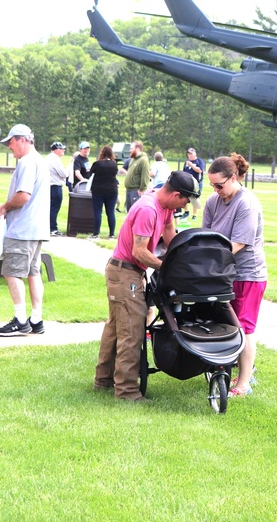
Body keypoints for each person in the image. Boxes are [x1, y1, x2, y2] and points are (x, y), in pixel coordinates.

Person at [94, 172, 198, 401]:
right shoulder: (148, 209)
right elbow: (139, 251)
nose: (187, 205)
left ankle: (103, 381)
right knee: (132, 331)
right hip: (125, 272)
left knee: (115, 328)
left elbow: (170, 233)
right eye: (186, 200)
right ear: (176, 194)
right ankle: (127, 392)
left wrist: (180, 259)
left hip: (129, 272)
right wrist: (167, 268)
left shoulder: (165, 205)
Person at [203, 153, 267, 397]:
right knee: (225, 324)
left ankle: (243, 384)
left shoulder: (246, 204)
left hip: (247, 275)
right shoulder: (213, 201)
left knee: (244, 329)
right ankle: (239, 367)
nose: (216, 189)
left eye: (219, 185)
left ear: (233, 178)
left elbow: (237, 245)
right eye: (212, 185)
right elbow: (207, 236)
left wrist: (207, 262)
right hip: (223, 274)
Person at [0, 124, 50, 336]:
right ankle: (36, 319)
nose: (9, 147)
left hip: (22, 229)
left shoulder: (27, 162)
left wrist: (4, 207)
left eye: (11, 142)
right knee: (33, 273)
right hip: (37, 229)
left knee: (11, 272)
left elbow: (23, 195)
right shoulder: (40, 161)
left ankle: (20, 320)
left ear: (22, 140)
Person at [82, 145, 120, 240]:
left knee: (98, 212)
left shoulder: (97, 164)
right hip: (112, 190)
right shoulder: (114, 164)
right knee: (111, 212)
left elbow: (90, 174)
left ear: (101, 153)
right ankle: (111, 234)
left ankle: (96, 234)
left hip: (98, 190)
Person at [47, 141, 68, 236]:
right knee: (54, 208)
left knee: (50, 208)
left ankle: (48, 227)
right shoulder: (55, 160)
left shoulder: (48, 158)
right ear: (57, 150)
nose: (63, 150)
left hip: (49, 186)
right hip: (55, 186)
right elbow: (64, 174)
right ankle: (53, 228)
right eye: (62, 148)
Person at [123, 140, 150, 211]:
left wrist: (141, 189)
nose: (130, 150)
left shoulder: (143, 160)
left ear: (138, 149)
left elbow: (145, 176)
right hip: (129, 190)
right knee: (129, 213)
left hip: (136, 191)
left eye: (132, 148)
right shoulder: (132, 159)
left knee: (135, 212)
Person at [182, 147, 206, 220]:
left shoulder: (199, 161)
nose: (190, 155)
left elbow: (200, 171)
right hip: (187, 183)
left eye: (191, 154)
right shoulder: (186, 162)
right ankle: (186, 212)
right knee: (183, 196)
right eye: (188, 154)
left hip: (197, 183)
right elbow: (184, 172)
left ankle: (194, 215)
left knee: (195, 198)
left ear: (195, 154)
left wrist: (191, 165)